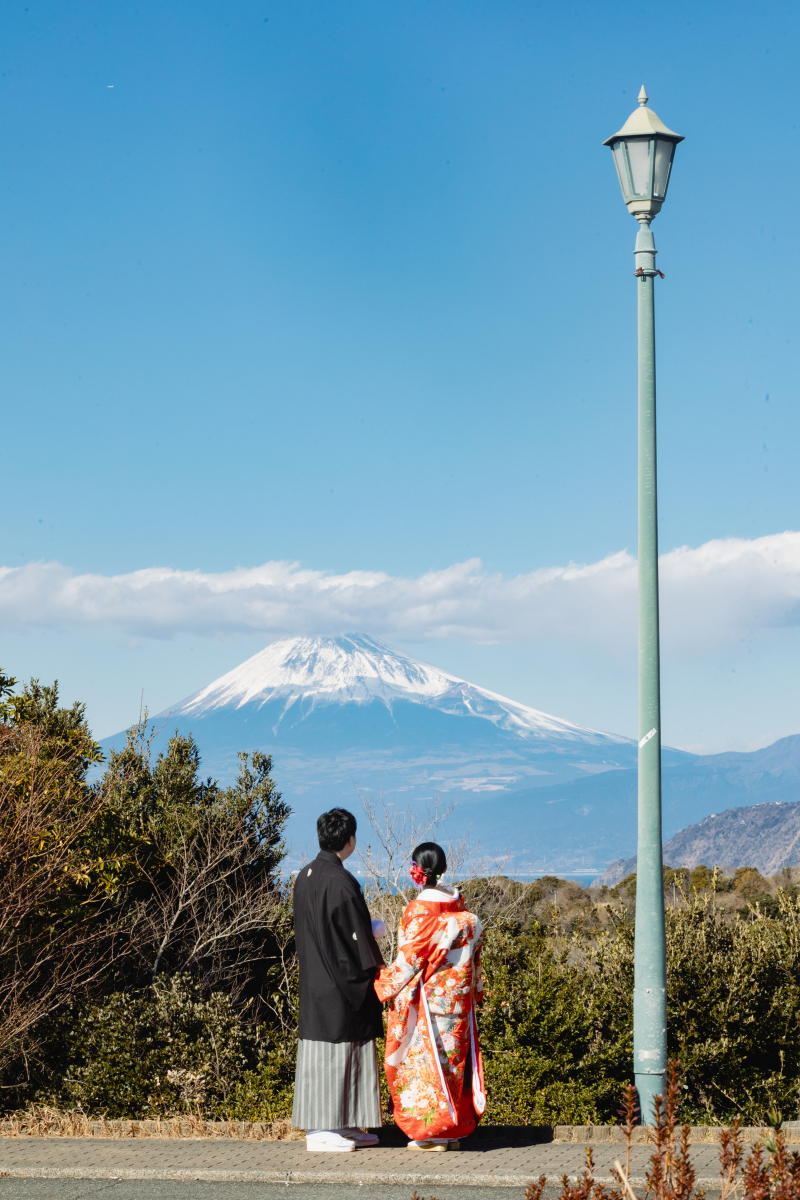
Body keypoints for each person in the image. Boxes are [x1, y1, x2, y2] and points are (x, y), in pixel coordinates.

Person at [374, 842, 485, 1152]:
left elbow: (410, 961)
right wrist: (474, 993)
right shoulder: (465, 915)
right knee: (453, 1063)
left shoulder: (420, 910)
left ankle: (432, 1133)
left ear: (417, 871)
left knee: (424, 1064)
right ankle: (453, 1130)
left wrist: (381, 984)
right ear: (443, 869)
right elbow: (475, 962)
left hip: (428, 1000)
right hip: (459, 1001)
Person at [291, 807, 385, 1153]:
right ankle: (321, 1129)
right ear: (350, 840)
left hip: (316, 976)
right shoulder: (340, 880)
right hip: (339, 980)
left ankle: (342, 1123)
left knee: (340, 1054)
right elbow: (355, 934)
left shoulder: (306, 875)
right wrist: (373, 963)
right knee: (336, 1055)